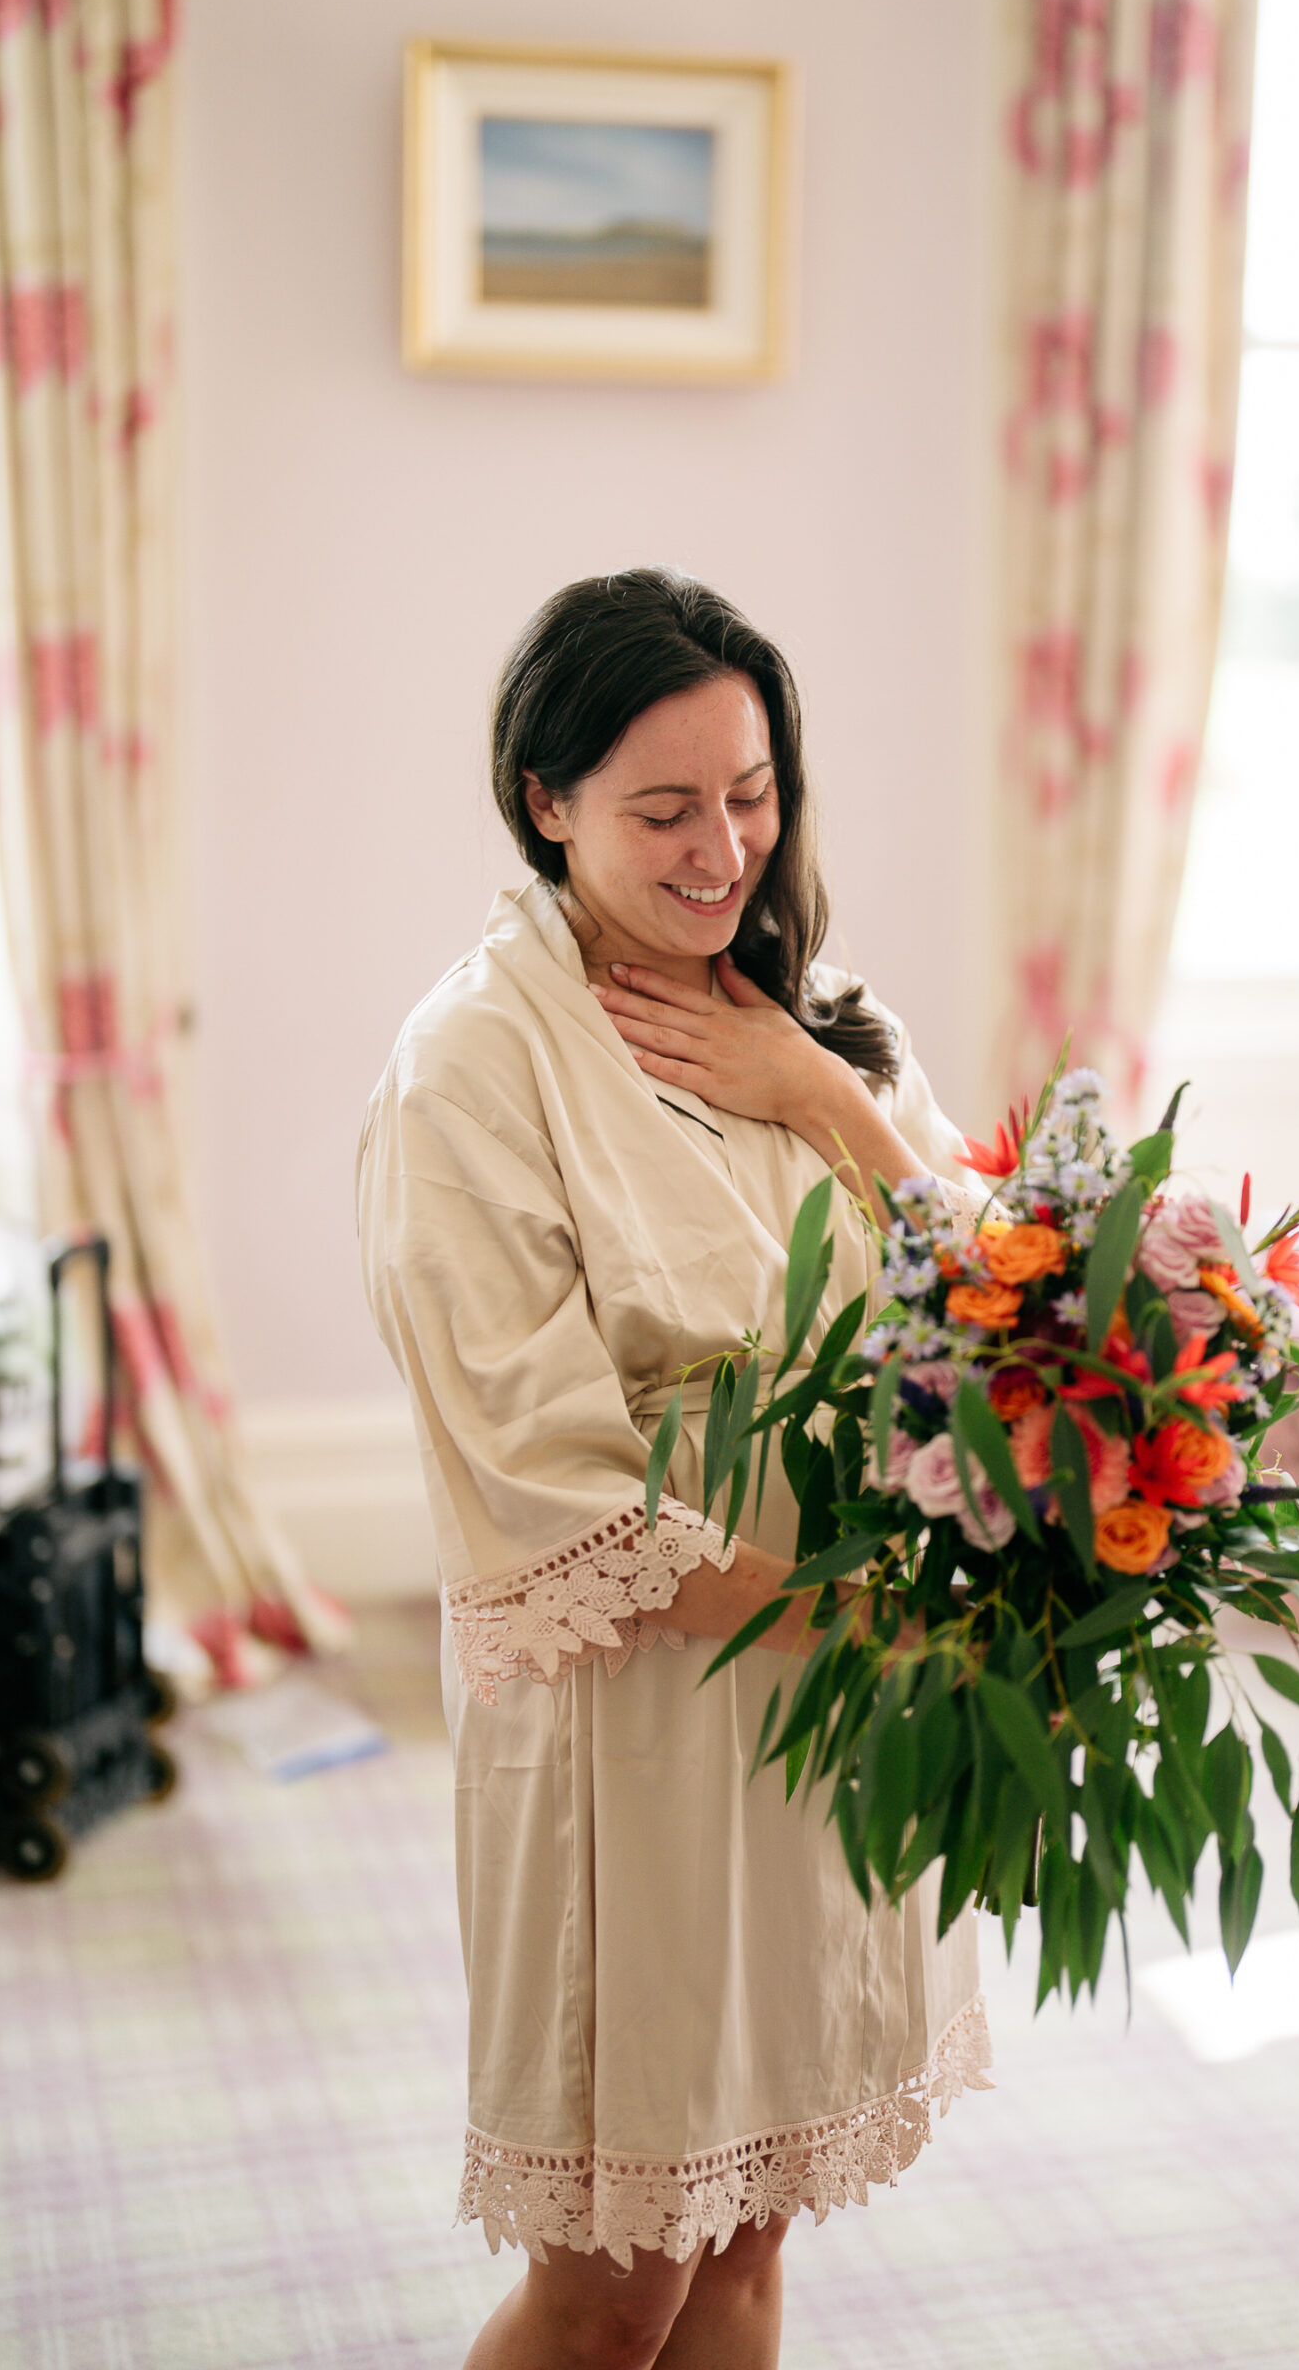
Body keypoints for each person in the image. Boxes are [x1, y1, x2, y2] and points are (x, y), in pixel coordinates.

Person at [358, 569, 991, 2370]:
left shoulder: (816, 1016)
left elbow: (994, 1297)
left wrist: (824, 1096)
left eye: (754, 791)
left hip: (840, 1716)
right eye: (663, 808)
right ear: (543, 803)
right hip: (651, 1723)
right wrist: (857, 1611)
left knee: (750, 2241)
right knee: (612, 2275)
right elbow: (551, 1491)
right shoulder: (468, 1071)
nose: (724, 849)